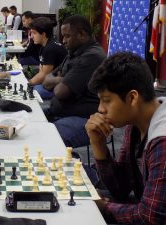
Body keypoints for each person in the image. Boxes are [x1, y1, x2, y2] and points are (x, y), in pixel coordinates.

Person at [85, 52, 166, 224]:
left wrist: (105, 207)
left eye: (106, 100)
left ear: (132, 97)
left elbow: (151, 217)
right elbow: (121, 188)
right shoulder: (137, 121)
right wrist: (98, 143)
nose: (100, 109)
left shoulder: (162, 140)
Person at [43, 15, 106, 147]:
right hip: (61, 112)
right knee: (29, 124)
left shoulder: (92, 56)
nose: (63, 41)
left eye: (67, 36)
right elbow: (46, 80)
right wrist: (63, 79)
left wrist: (59, 80)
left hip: (86, 119)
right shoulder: (74, 52)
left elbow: (60, 92)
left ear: (81, 34)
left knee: (46, 140)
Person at [29, 17, 67, 99]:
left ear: (43, 34)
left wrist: (27, 84)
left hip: (58, 87)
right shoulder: (45, 45)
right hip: (50, 82)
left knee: (32, 91)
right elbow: (41, 70)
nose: (32, 36)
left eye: (34, 33)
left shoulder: (51, 48)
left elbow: (43, 75)